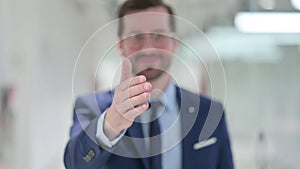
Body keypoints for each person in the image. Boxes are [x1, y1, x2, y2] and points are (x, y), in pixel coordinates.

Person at [64, 0, 234, 168]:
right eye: (136, 37)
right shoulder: (92, 107)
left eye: (159, 36)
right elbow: (75, 163)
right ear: (121, 46)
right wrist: (111, 124)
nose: (148, 48)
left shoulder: (210, 112)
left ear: (174, 43)